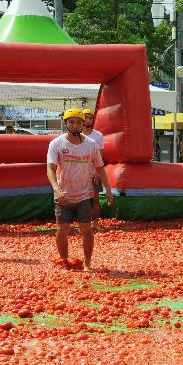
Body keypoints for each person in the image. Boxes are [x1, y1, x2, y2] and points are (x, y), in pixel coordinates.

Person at [47, 108, 114, 271]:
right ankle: (64, 259)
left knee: (86, 229)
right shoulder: (56, 143)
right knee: (62, 229)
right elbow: (50, 169)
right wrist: (56, 188)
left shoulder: (91, 145)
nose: (75, 125)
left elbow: (100, 167)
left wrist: (109, 190)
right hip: (63, 194)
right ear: (66, 123)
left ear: (84, 124)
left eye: (78, 122)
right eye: (71, 122)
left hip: (84, 194)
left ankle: (87, 262)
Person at [81, 108, 107, 231]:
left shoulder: (98, 136)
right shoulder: (76, 134)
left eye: (90, 118)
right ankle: (82, 223)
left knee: (95, 198)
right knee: (79, 199)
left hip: (93, 172)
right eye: (86, 117)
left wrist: (97, 171)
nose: (88, 120)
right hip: (78, 173)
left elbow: (100, 156)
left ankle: (95, 223)